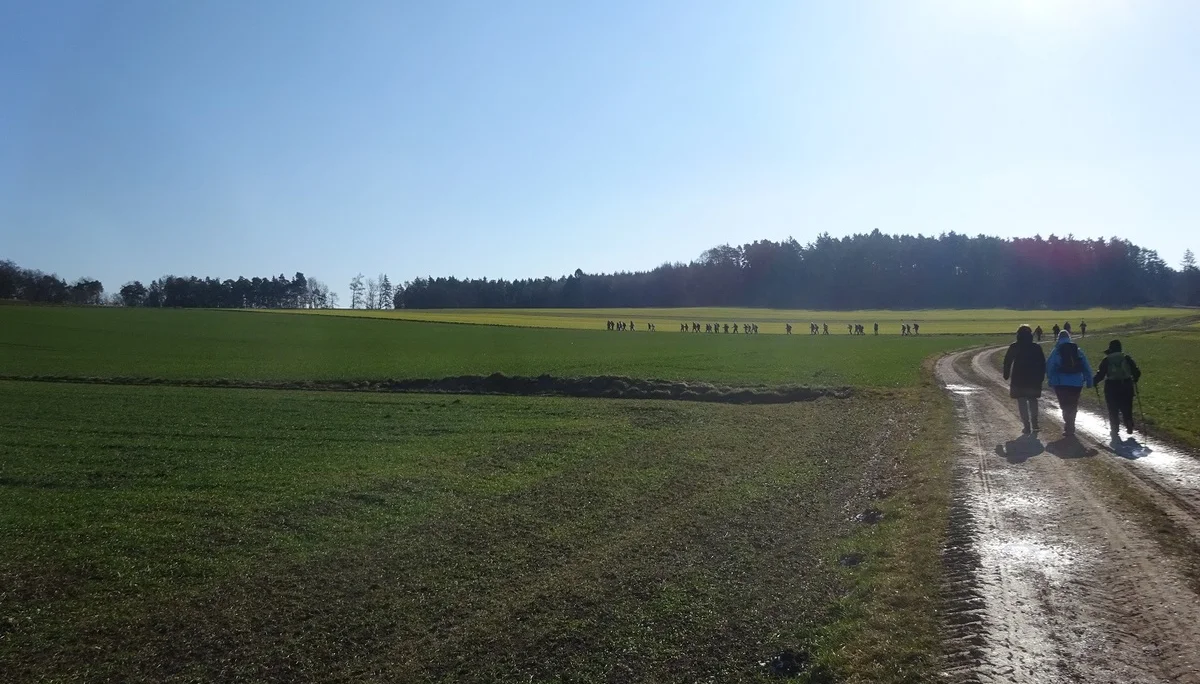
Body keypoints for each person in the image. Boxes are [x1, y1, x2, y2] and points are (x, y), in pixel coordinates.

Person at [1046, 330, 1094, 437]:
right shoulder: (1077, 350)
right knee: (1073, 404)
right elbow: (1086, 366)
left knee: (1064, 405)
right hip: (1077, 382)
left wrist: (1050, 379)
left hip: (1060, 382)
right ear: (1069, 337)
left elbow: (1050, 366)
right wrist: (1090, 381)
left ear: (1059, 338)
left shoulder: (1056, 351)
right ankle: (1071, 425)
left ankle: (1068, 425)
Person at [1093, 339, 1142, 440]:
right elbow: (1136, 372)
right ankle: (1128, 422)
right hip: (1127, 385)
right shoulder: (1126, 358)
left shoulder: (1107, 360)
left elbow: (1101, 375)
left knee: (1113, 409)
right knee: (1127, 407)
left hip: (1111, 387)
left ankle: (1115, 428)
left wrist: (1094, 382)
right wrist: (1135, 379)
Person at [1003, 325, 1046, 434]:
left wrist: (1006, 374)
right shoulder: (1036, 347)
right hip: (1034, 378)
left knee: (1021, 401)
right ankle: (1035, 423)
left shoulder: (1015, 346)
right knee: (1033, 400)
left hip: (1019, 379)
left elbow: (1007, 361)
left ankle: (1026, 426)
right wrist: (1041, 377)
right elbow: (1042, 363)